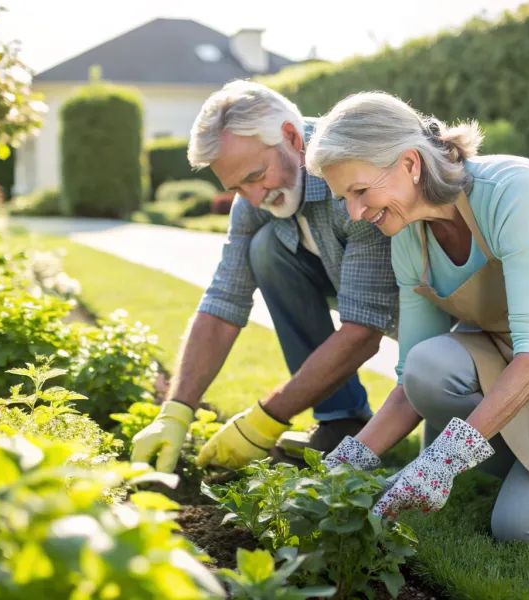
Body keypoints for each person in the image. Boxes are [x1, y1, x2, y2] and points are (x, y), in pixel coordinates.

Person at [307, 92, 529, 548]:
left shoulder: (512, 192)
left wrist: (442, 461)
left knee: (523, 528)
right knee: (429, 366)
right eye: (345, 198)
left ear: (410, 164)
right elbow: (410, 384)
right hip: (518, 364)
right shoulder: (406, 235)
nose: (355, 212)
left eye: (360, 191)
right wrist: (345, 465)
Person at [131, 81, 398, 473]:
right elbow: (224, 300)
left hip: (439, 309)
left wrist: (265, 419)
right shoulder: (253, 198)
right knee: (265, 248)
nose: (254, 198)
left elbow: (362, 332)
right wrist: (176, 409)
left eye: (256, 176)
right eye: (237, 187)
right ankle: (341, 420)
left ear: (291, 136)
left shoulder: (351, 179)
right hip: (345, 277)